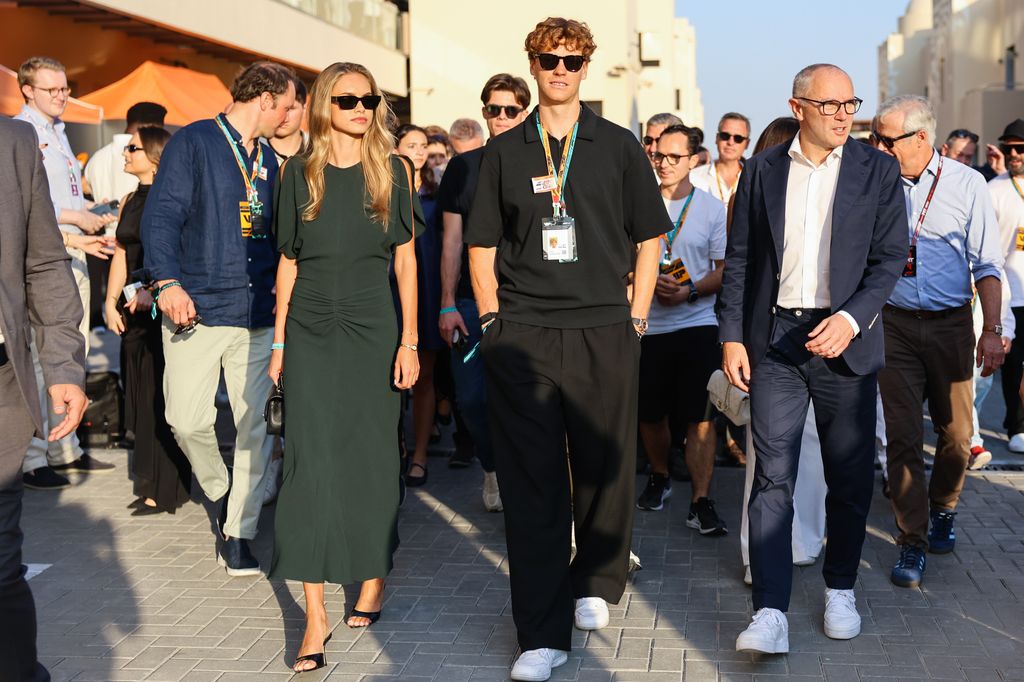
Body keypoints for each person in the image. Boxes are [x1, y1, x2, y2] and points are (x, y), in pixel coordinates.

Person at [466, 18, 668, 681]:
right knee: (533, 485)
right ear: (532, 64)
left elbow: (648, 238)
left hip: (606, 328)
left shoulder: (617, 145)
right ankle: (540, 633)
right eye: (549, 59)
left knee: (604, 470)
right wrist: (491, 321)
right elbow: (480, 245)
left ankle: (596, 579)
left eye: (572, 60)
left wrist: (636, 319)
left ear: (586, 67)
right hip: (523, 333)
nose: (560, 70)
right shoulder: (505, 151)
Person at [721, 64, 907, 653]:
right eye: (829, 105)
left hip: (844, 339)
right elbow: (741, 258)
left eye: (850, 104)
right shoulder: (763, 169)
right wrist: (732, 336)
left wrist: (851, 320)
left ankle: (840, 587)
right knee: (771, 477)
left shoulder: (876, 169)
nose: (843, 115)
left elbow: (889, 258)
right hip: (776, 340)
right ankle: (769, 610)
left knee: (848, 476)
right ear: (797, 107)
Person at [268, 61, 421, 673]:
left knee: (371, 457)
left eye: (369, 100)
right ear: (326, 104)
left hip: (372, 328)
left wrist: (410, 341)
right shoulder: (297, 172)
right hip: (309, 328)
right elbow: (288, 263)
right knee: (308, 463)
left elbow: (406, 262)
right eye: (349, 99)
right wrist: (279, 344)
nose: (361, 109)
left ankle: (373, 574)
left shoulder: (394, 170)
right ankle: (314, 613)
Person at [142, 61, 296, 577]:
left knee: (255, 428)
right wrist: (166, 282)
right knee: (185, 420)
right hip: (197, 308)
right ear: (266, 99)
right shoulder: (194, 142)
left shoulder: (271, 160)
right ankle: (222, 488)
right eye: (286, 106)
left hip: (257, 312)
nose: (289, 116)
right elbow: (162, 216)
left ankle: (239, 531)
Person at [871, 95, 1004, 589]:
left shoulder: (967, 184)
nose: (880, 148)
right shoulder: (875, 181)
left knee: (956, 436)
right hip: (894, 324)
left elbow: (987, 263)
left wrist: (993, 330)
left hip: (952, 325)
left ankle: (944, 505)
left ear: (921, 138)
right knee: (902, 436)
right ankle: (913, 537)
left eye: (888, 140)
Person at [0, 115, 89, 682]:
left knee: (1, 560)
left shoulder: (13, 142)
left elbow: (45, 263)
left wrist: (63, 366)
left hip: (1, 389)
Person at [15, 56, 117, 491]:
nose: (61, 96)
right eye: (51, 89)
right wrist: (77, 219)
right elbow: (26, 205)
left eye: (64, 89)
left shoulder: (58, 132)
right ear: (27, 90)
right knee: (43, 358)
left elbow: (64, 197)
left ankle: (65, 448)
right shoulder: (22, 133)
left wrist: (94, 211)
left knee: (71, 353)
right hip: (47, 256)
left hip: (74, 252)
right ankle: (34, 457)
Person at [734, 115, 828, 586]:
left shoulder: (823, 191)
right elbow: (738, 270)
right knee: (768, 452)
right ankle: (762, 551)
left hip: (817, 334)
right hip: (766, 335)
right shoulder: (753, 190)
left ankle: (803, 540)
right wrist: (735, 339)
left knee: (807, 447)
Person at [437, 72, 531, 510]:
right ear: (484, 112)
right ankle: (492, 467)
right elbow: (451, 241)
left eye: (511, 109)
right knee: (473, 399)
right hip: (471, 302)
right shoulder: (464, 167)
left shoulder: (541, 164)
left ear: (524, 112)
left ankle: (521, 477)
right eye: (495, 109)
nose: (502, 116)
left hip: (527, 303)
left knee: (525, 400)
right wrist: (446, 303)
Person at [635, 124, 728, 538]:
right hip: (648, 325)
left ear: (693, 159)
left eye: (675, 156)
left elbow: (724, 269)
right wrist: (644, 282)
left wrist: (689, 291)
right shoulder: (637, 202)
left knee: (700, 419)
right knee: (650, 414)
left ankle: (701, 500)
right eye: (659, 155)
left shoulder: (711, 208)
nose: (665, 163)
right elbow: (622, 260)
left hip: (697, 322)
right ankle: (659, 475)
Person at [104, 125, 192, 516]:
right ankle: (148, 482)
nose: (125, 153)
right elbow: (121, 253)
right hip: (131, 309)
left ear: (155, 155)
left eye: (133, 148)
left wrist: (153, 289)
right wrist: (110, 302)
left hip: (160, 306)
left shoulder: (172, 197)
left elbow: (179, 251)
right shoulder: (128, 199)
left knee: (160, 395)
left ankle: (168, 487)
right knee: (138, 395)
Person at [393, 124, 445, 487]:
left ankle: (420, 454)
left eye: (423, 145)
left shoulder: (436, 193)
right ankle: (394, 447)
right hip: (389, 290)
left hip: (427, 289)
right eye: (411, 145)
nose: (419, 151)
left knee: (425, 376)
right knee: (390, 380)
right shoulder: (382, 186)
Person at [989, 118, 1024, 453]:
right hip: (1010, 293)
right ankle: (1017, 426)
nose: (1013, 154)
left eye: (1020, 148)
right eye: (1008, 148)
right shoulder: (994, 190)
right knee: (1013, 365)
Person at [84, 102, 168, 226]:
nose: (125, 154)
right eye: (156, 132)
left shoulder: (97, 156)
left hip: (102, 231)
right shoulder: (142, 157)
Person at [690, 112, 750, 204]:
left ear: (747, 144)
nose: (730, 142)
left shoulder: (753, 180)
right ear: (717, 138)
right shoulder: (693, 177)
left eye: (738, 138)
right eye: (725, 136)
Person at [267, 76, 309, 165]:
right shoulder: (253, 147)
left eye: (290, 109)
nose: (284, 117)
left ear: (304, 109)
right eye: (277, 107)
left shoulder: (320, 149)